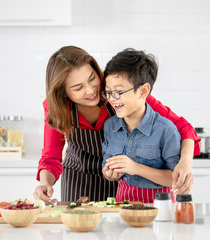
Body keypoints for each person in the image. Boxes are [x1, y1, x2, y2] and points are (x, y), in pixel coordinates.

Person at [33, 46, 199, 204]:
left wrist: (184, 163)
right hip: (78, 180)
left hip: (121, 182)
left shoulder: (121, 95)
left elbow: (184, 128)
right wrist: (45, 183)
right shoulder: (57, 108)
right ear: (63, 92)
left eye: (92, 79)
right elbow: (50, 157)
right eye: (78, 88)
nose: (91, 91)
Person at [101, 48, 180, 203]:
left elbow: (174, 178)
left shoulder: (166, 130)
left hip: (158, 207)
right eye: (108, 92)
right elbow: (107, 165)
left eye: (118, 92)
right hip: (122, 205)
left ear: (143, 91)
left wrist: (135, 168)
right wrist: (109, 173)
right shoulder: (110, 126)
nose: (112, 99)